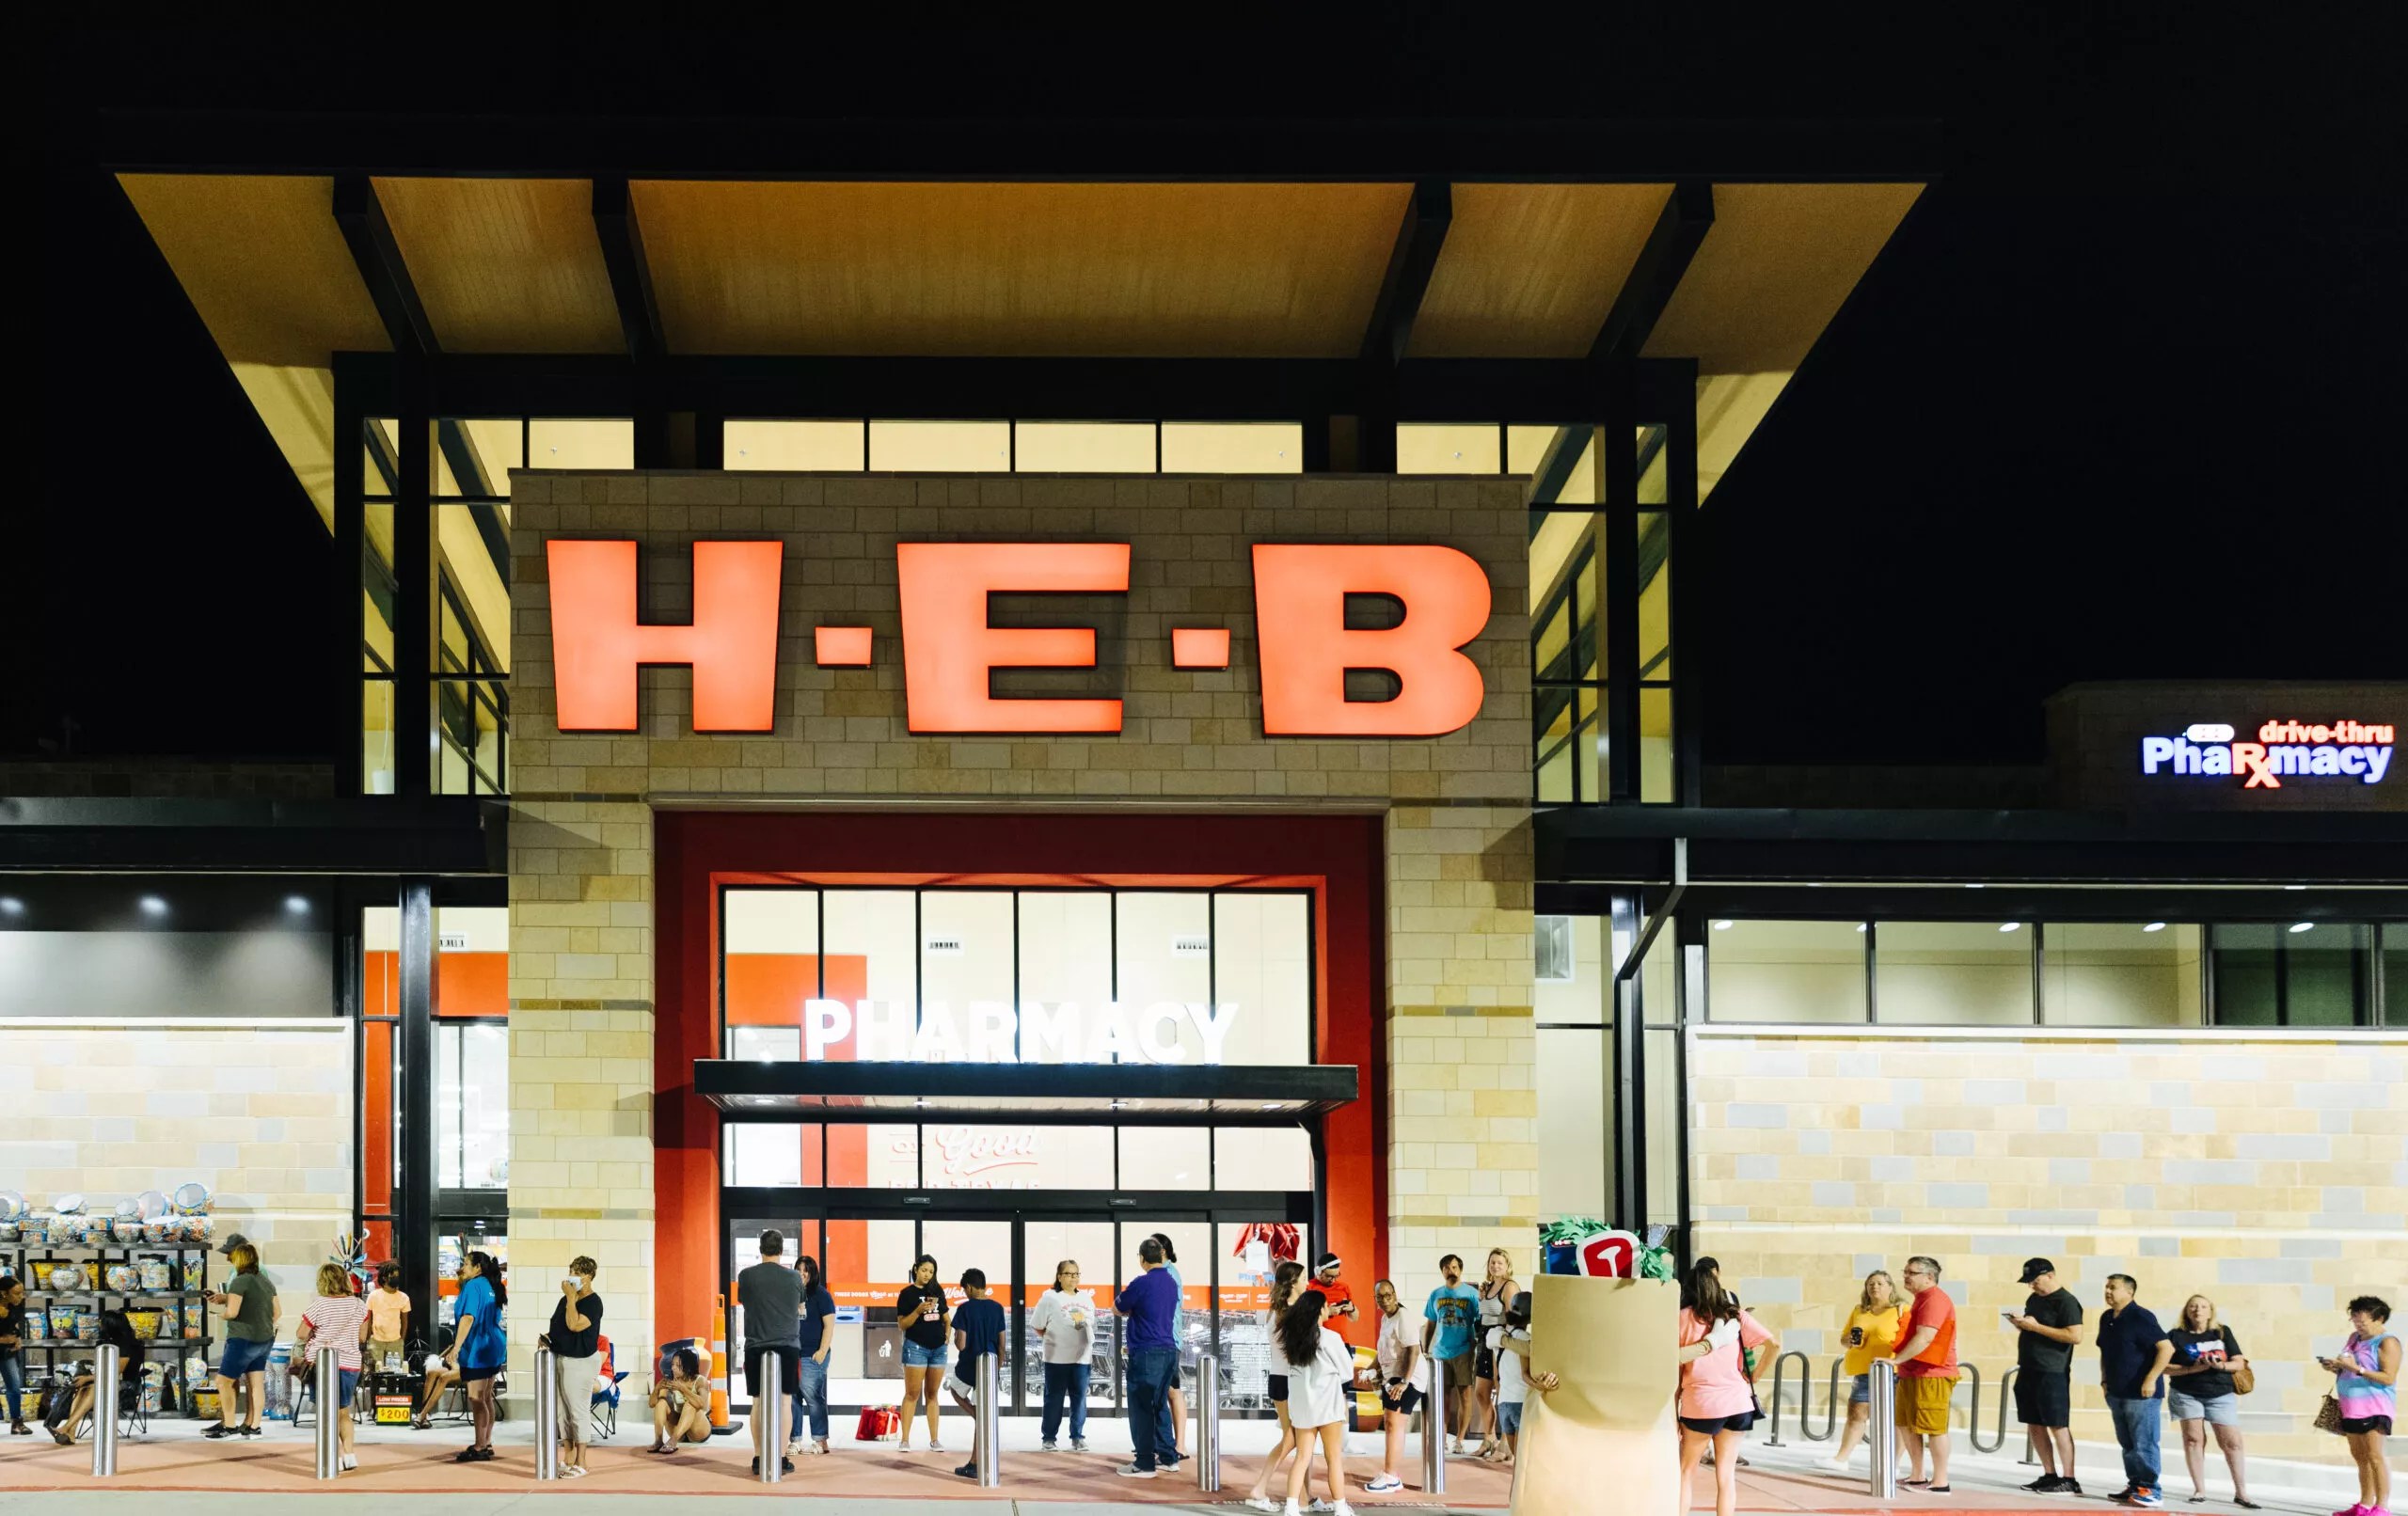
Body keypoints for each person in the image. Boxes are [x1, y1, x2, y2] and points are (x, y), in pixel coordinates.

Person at [1677, 1257, 1776, 1516]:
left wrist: (1674, 1412)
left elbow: (1675, 1369)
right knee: (1726, 1474)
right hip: (1737, 1403)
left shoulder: (1682, 1318)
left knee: (1686, 1472)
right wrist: (1754, 1377)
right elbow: (1774, 1344)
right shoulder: (1736, 1315)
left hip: (1700, 1404)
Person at [2006, 1256, 2086, 1496]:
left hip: (2052, 1371)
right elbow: (2034, 1328)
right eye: (2029, 1282)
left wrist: (2036, 1327)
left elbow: (2075, 1336)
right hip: (2029, 1366)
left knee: (2057, 1423)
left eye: (2035, 1280)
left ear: (2050, 1275)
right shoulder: (2034, 1299)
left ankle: (2069, 1478)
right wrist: (2021, 1324)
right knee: (2034, 1422)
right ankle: (2049, 1473)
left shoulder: (2067, 1302)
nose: (2032, 1285)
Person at [2165, 1292, 2253, 1508]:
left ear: (2211, 1311)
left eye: (2203, 1306)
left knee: (2232, 1442)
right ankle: (2199, 1490)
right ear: (2186, 1311)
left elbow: (2239, 1363)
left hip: (2220, 1393)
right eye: (2193, 1306)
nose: (2198, 1310)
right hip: (2186, 1393)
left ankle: (2241, 1492)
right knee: (2193, 1439)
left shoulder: (2222, 1332)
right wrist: (2191, 1369)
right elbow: (2164, 1367)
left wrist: (2219, 1365)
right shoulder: (2175, 1335)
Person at [2097, 1271, 2174, 1508]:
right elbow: (2105, 1351)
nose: (2108, 1291)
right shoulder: (2107, 1318)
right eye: (2107, 1287)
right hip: (2117, 1391)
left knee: (2144, 1443)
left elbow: (2166, 1348)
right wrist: (2104, 1380)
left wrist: (2151, 1379)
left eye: (2113, 1287)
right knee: (2128, 1444)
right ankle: (2135, 1485)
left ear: (2129, 1291)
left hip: (2141, 1394)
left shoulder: (2141, 1316)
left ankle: (2151, 1489)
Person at [1279, 1288, 1357, 1516]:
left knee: (1302, 1457)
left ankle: (1291, 1508)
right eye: (1325, 1306)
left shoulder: (1291, 1340)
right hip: (1328, 1405)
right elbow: (1346, 1371)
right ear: (1319, 1310)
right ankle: (1340, 1508)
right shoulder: (1330, 1338)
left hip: (1303, 1407)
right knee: (1333, 1459)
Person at [2318, 1294, 2398, 1516]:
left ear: (2379, 1319)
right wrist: (2335, 1366)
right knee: (2360, 1457)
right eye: (2354, 1320)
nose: (2357, 1325)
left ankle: (2382, 1507)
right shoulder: (2354, 1338)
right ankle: (2364, 1505)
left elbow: (2388, 1377)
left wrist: (2356, 1369)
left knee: (2374, 1456)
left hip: (2375, 1407)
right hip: (2351, 1406)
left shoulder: (2387, 1342)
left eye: (2362, 1321)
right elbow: (2348, 1366)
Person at [1816, 1268, 1901, 1474]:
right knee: (1856, 1414)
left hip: (1893, 1370)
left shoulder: (1900, 1310)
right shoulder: (1860, 1311)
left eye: (1880, 1283)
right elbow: (1844, 1339)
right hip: (1864, 1370)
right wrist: (1850, 1340)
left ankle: (1894, 1463)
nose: (1874, 1287)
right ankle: (1841, 1458)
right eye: (1870, 1284)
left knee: (1898, 1418)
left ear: (1890, 1287)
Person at [1889, 1255, 1958, 1494]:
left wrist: (1896, 1360)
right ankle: (1917, 1475)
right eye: (1905, 1272)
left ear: (1929, 1277)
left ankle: (1940, 1481)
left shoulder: (1934, 1299)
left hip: (1933, 1373)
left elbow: (1926, 1336)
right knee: (1906, 1424)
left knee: (1934, 1427)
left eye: (1911, 1273)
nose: (1906, 1276)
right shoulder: (1920, 1299)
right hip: (1911, 1372)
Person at [1243, 1260, 1307, 1511]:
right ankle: (1260, 1488)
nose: (1307, 1283)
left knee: (1300, 1441)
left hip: (1281, 1379)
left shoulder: (1278, 1310)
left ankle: (1303, 1497)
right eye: (1303, 1279)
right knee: (1292, 1439)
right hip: (1289, 1380)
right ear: (1292, 1282)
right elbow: (1297, 1352)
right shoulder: (1289, 1312)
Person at [1116, 1235, 1182, 1478]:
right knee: (1159, 1404)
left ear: (1142, 1259)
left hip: (1146, 1351)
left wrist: (1133, 1310)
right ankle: (1168, 1457)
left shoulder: (1141, 1283)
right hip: (1169, 1350)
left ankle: (1144, 1463)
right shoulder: (1172, 1281)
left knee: (1142, 1407)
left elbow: (1117, 1307)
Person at [293, 1261, 370, 1472]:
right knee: (343, 1411)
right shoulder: (359, 1305)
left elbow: (301, 1333)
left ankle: (331, 1457)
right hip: (350, 1363)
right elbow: (362, 1337)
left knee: (327, 1413)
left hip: (322, 1363)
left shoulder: (319, 1304)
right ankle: (349, 1455)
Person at [737, 1229, 801, 1476]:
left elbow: (745, 1301)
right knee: (785, 1401)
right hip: (788, 1345)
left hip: (756, 1344)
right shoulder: (794, 1277)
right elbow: (799, 1304)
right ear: (781, 1250)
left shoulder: (746, 1276)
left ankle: (758, 1456)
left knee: (757, 1401)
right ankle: (782, 1457)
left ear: (760, 1249)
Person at [203, 1236, 277, 1440]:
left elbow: (232, 1313)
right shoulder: (266, 1281)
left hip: (242, 1339)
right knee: (256, 1383)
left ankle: (229, 1426)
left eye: (231, 1254)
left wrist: (218, 1315)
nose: (228, 1258)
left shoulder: (239, 1280)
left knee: (223, 1381)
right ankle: (254, 1427)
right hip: (264, 1339)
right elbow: (277, 1312)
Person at [540, 1255, 604, 1477]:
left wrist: (570, 1298)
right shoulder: (564, 1300)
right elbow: (559, 1327)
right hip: (562, 1359)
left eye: (577, 1273)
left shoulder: (593, 1303)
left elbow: (574, 1325)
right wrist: (547, 1338)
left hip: (581, 1362)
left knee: (578, 1411)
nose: (571, 1276)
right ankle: (568, 1457)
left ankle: (582, 1462)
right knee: (562, 1413)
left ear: (588, 1277)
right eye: (571, 1271)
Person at [945, 1266, 1007, 1480]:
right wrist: (997, 1366)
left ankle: (974, 1459)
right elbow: (1002, 1343)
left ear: (970, 1288)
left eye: (965, 1289)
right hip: (989, 1364)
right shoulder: (997, 1308)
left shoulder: (964, 1309)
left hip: (969, 1366)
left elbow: (961, 1344)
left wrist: (956, 1338)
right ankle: (980, 1422)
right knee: (984, 1409)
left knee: (955, 1391)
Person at [49, 1306, 143, 1447]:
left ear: (111, 1326)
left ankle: (67, 1426)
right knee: (82, 1388)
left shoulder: (127, 1345)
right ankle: (71, 1433)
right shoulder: (106, 1342)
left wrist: (88, 1378)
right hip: (105, 1380)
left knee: (94, 1387)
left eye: (101, 1323)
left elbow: (115, 1372)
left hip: (127, 1385)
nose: (99, 1325)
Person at [447, 1250, 507, 1462]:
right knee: (486, 1396)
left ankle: (480, 1445)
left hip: (479, 1348)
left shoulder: (473, 1286)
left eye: (465, 1263)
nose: (462, 1268)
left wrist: (456, 1348)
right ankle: (486, 1441)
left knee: (476, 1398)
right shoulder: (490, 1284)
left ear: (477, 1267)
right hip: (494, 1345)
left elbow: (468, 1318)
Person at [1362, 1278, 1420, 1493]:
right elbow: (1383, 1351)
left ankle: (1391, 1476)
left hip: (1406, 1377)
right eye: (1380, 1297)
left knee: (1394, 1424)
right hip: (1393, 1376)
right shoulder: (1386, 1319)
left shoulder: (1403, 1316)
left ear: (1395, 1295)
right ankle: (1391, 1473)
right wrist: (1370, 1368)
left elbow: (1414, 1349)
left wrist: (1405, 1381)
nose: (1385, 1300)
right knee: (1391, 1424)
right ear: (1375, 1299)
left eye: (1389, 1295)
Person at [1030, 1258, 1094, 1452]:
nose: (1073, 1278)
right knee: (1054, 1399)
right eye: (1069, 1274)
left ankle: (1077, 1437)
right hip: (1056, 1358)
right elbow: (1038, 1326)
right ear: (1059, 1276)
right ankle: (1049, 1438)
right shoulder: (1049, 1298)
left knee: (1079, 1399)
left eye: (1076, 1274)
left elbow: (1089, 1324)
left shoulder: (1086, 1298)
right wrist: (1054, 1338)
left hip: (1082, 1358)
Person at [1421, 1253, 1481, 1456]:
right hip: (1440, 1352)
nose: (1451, 1271)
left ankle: (1460, 1440)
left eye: (1454, 1267)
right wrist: (1425, 1349)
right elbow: (1430, 1323)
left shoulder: (1471, 1294)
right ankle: (1442, 1437)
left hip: (1463, 1350)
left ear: (1460, 1270)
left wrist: (1476, 1345)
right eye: (1446, 1268)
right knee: (1443, 1397)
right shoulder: (1436, 1294)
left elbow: (1479, 1322)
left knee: (1465, 1395)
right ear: (1442, 1271)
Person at [1486, 1290, 1546, 1465]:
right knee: (1522, 1461)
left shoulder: (1496, 1334)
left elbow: (1496, 1373)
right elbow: (1529, 1354)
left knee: (1518, 1461)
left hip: (1503, 1403)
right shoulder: (1525, 1339)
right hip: (1521, 1401)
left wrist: (1505, 1341)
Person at [895, 1254, 948, 1453]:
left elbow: (946, 1318)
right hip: (916, 1348)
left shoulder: (937, 1291)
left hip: (938, 1349)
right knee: (912, 1394)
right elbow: (902, 1324)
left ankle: (935, 1440)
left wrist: (947, 1335)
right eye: (924, 1270)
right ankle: (905, 1440)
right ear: (916, 1269)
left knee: (932, 1394)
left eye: (931, 1272)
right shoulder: (907, 1294)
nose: (927, 1275)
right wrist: (918, 1311)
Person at [1471, 1248, 1519, 1459]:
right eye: (1492, 1262)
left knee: (1502, 1393)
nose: (1495, 1266)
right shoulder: (1488, 1287)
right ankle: (1489, 1438)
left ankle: (1506, 1444)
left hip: (1500, 1342)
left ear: (1507, 1265)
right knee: (1481, 1392)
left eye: (1500, 1262)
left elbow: (1513, 1318)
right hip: (1484, 1341)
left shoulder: (1510, 1287)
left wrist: (1505, 1344)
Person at [1151, 1235, 1192, 1459]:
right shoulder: (1168, 1272)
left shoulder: (1167, 1274)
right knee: (1171, 1391)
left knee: (1171, 1391)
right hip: (1168, 1339)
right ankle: (1175, 1444)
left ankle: (1178, 1445)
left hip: (1168, 1340)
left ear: (1163, 1250)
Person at [794, 1254, 835, 1457]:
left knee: (813, 1397)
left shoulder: (821, 1295)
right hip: (793, 1353)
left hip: (813, 1355)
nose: (802, 1274)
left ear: (813, 1274)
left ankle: (820, 1440)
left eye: (806, 1271)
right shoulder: (792, 1294)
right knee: (793, 1398)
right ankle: (795, 1440)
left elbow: (829, 1325)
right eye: (799, 1270)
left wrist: (822, 1351)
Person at [647, 1347, 713, 1453]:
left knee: (690, 1404)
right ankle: (658, 1441)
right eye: (672, 1364)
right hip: (678, 1430)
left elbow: (703, 1405)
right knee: (661, 1402)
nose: (673, 1368)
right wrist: (657, 1389)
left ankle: (673, 1441)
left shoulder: (700, 1380)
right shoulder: (669, 1381)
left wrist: (682, 1389)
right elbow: (652, 1404)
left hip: (698, 1431)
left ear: (688, 1367)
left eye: (678, 1365)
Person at [365, 1262, 411, 1371]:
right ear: (384, 1278)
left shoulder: (404, 1297)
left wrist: (401, 1340)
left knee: (395, 1374)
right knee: (376, 1373)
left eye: (397, 1276)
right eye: (393, 1276)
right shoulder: (373, 1296)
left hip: (395, 1341)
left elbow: (405, 1321)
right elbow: (368, 1319)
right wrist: (369, 1338)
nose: (396, 1278)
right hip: (376, 1341)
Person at [2, 1273, 29, 1436]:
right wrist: (3, 1340)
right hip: (4, 1345)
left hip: (7, 1351)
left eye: (22, 1292)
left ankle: (17, 1423)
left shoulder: (17, 1305)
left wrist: (17, 1338)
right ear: (4, 1293)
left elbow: (14, 1324)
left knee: (14, 1386)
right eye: (17, 1293)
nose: (21, 1296)